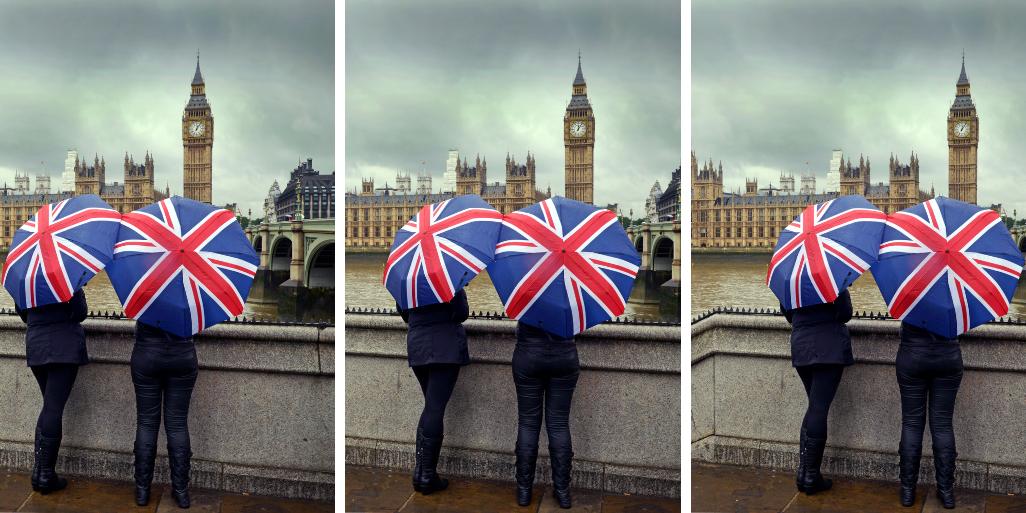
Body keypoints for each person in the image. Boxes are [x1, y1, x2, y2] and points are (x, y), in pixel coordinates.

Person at [15, 288, 89, 495]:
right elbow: (81, 313)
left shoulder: (26, 278)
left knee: (48, 407)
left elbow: (23, 314)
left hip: (37, 345)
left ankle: (39, 472)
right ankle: (46, 474)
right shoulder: (67, 279)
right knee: (53, 409)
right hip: (63, 347)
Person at [396, 288, 470, 495]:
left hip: (418, 346)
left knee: (430, 408)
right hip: (445, 347)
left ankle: (420, 473)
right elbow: (462, 313)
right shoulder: (449, 279)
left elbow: (405, 314)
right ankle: (427, 476)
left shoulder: (407, 279)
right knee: (434, 409)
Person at [781, 288, 853, 496]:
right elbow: (845, 314)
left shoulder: (791, 279)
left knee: (814, 407)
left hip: (802, 347)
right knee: (819, 409)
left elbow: (788, 315)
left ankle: (803, 472)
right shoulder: (833, 279)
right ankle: (811, 475)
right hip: (828, 347)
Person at [511, 321, 579, 509]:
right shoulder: (570, 294)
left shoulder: (526, 292)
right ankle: (563, 491)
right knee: (559, 424)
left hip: (528, 355)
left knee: (527, 423)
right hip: (565, 356)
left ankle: (524, 491)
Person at [131, 321, 198, 508]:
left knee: (146, 423)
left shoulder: (145, 292)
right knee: (177, 424)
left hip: (147, 354)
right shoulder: (188, 294)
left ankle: (143, 491)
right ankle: (181, 492)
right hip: (182, 355)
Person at [895, 322, 962, 509]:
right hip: (948, 356)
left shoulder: (909, 292)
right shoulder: (953, 294)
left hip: (912, 355)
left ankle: (908, 491)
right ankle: (946, 491)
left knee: (911, 423)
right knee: (943, 425)